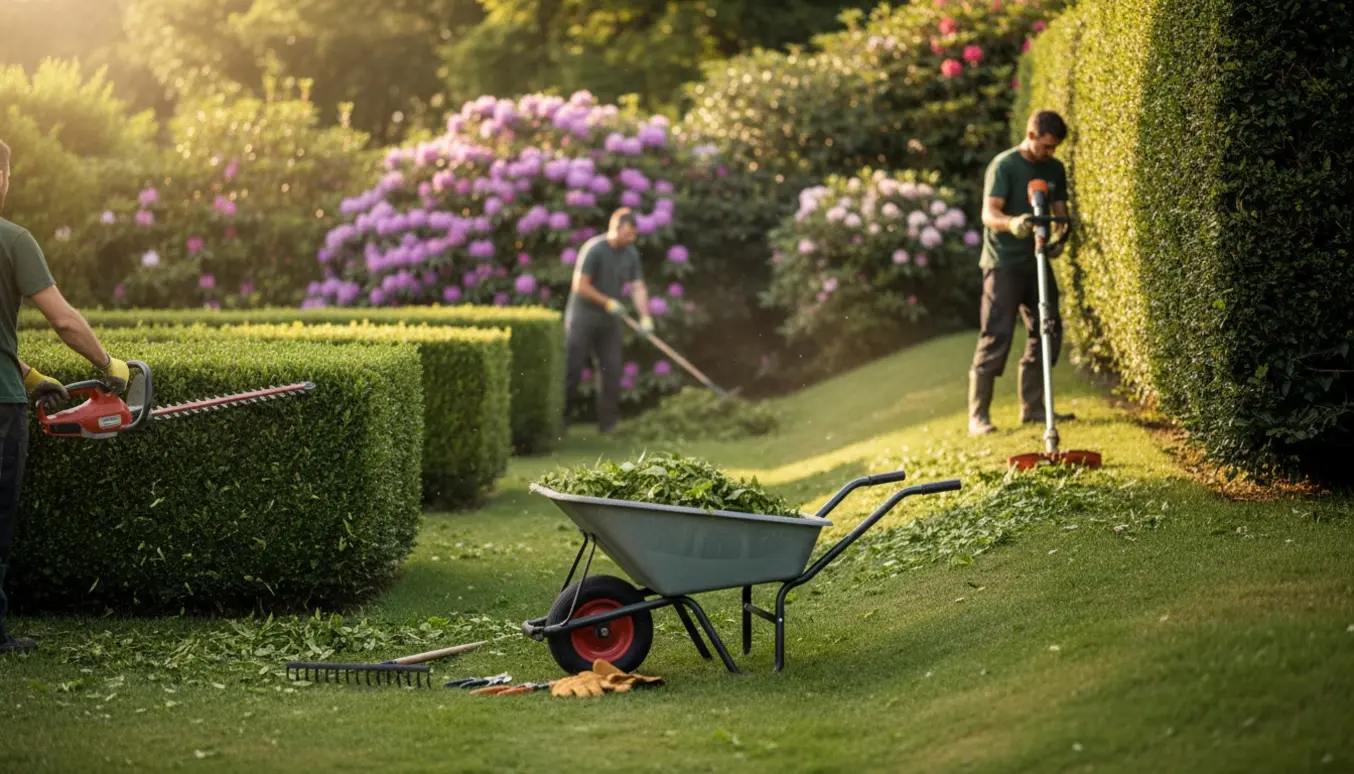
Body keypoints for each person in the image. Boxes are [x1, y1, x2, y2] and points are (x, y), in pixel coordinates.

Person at [0, 139, 130, 654]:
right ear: (3, 178)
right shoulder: (13, 240)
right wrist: (109, 366)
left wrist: (30, 376)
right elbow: (64, 321)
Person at [968, 110, 1075, 436]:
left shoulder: (1054, 169)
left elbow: (1061, 215)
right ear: (1030, 136)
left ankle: (1033, 408)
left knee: (1048, 330)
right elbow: (989, 213)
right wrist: (1013, 223)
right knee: (997, 334)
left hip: (1036, 262)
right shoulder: (1004, 165)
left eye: (1054, 147)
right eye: (1045, 146)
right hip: (1002, 264)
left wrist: (1059, 239)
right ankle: (978, 417)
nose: (1050, 152)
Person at [563, 208, 654, 434]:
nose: (631, 239)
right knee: (572, 370)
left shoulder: (630, 253)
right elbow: (580, 285)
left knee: (611, 370)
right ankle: (560, 423)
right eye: (627, 234)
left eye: (634, 235)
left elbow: (638, 286)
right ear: (615, 228)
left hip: (609, 321)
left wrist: (645, 318)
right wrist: (608, 303)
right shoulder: (594, 249)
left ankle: (608, 427)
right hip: (583, 318)